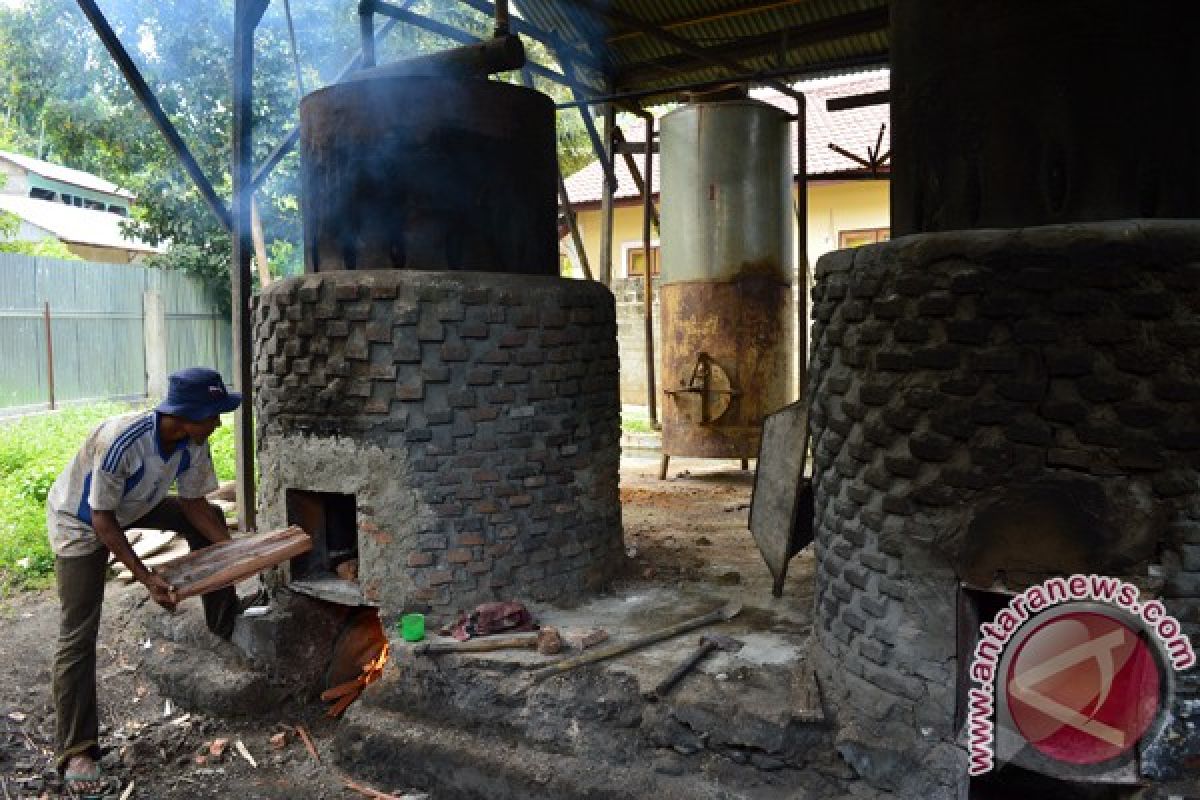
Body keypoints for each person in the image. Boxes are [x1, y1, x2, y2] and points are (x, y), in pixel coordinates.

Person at [45, 367, 242, 796]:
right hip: (79, 523)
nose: (218, 423)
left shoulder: (193, 443)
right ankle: (77, 748)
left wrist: (238, 554)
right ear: (188, 414)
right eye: (213, 415)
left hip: (133, 506)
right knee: (78, 632)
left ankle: (226, 620)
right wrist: (148, 577)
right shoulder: (121, 443)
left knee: (212, 519)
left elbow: (192, 504)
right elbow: (101, 519)